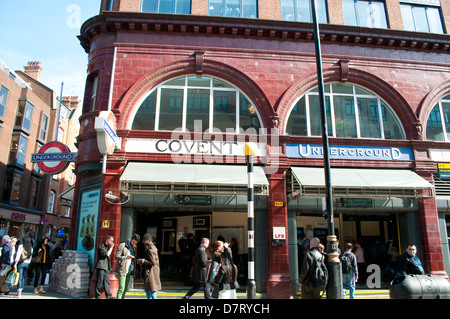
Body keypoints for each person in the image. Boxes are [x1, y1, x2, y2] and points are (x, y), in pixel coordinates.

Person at [115, 234, 139, 299]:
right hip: (122, 269)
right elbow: (116, 257)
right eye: (133, 242)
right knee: (121, 288)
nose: (134, 244)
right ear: (131, 239)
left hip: (129, 270)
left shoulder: (133, 248)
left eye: (135, 243)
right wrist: (125, 257)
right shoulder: (122, 245)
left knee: (125, 289)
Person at [137, 233, 161, 299]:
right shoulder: (151, 248)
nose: (144, 243)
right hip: (150, 272)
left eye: (145, 241)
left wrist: (143, 261)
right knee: (149, 290)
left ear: (149, 241)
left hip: (151, 273)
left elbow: (152, 262)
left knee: (151, 291)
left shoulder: (151, 249)